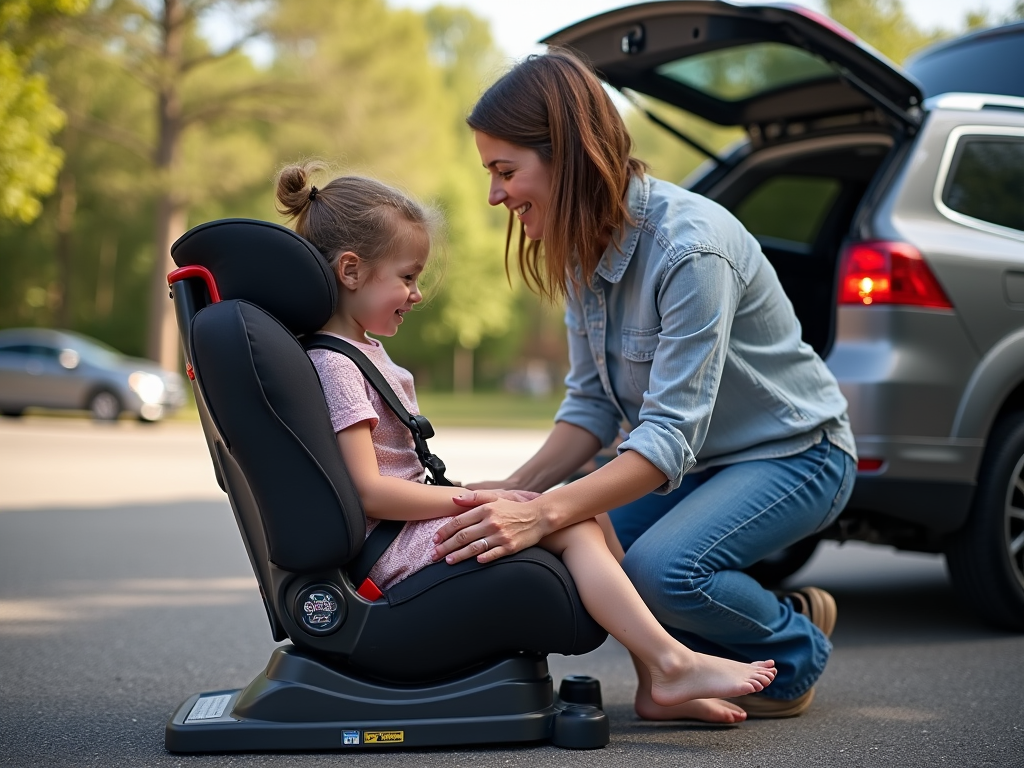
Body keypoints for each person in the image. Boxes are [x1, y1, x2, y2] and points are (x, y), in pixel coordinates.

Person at [430, 49, 858, 723]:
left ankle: (792, 649)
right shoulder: (579, 247)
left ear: (565, 157)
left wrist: (545, 510)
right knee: (589, 546)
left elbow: (665, 440)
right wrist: (513, 493)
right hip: (701, 463)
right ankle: (703, 654)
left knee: (659, 569)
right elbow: (592, 406)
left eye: (505, 172)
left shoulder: (691, 250)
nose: (494, 195)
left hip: (798, 453)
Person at [274, 161, 778, 711]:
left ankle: (657, 682)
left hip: (403, 532)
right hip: (391, 549)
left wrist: (497, 493)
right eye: (408, 276)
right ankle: (672, 665)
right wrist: (479, 497)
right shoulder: (337, 366)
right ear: (350, 271)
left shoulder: (358, 352)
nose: (416, 293)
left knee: (589, 511)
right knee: (576, 521)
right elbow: (371, 492)